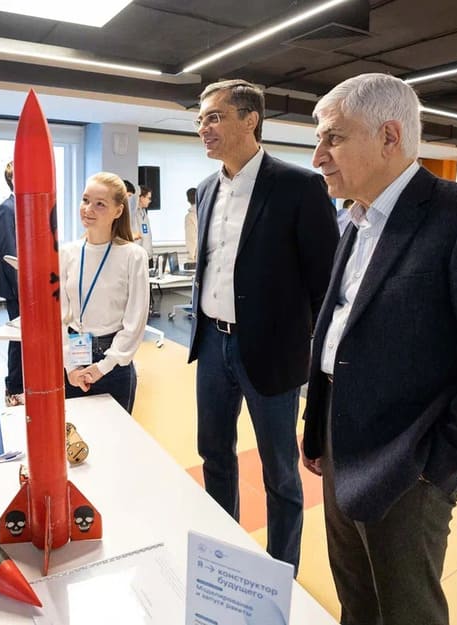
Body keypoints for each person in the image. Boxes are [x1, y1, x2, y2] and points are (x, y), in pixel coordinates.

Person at [302, 73, 457, 625]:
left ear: (389, 137)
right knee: (357, 601)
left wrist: (436, 466)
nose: (318, 156)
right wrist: (318, 426)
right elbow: (341, 332)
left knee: (406, 612)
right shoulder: (356, 221)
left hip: (408, 463)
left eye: (334, 138)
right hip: (341, 443)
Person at [188, 79, 338, 571]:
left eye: (214, 117)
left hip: (272, 352)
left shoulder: (298, 186)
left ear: (250, 119)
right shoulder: (206, 189)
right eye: (200, 120)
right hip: (212, 345)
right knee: (214, 455)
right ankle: (224, 553)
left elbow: (325, 282)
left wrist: (307, 348)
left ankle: (280, 570)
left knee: (279, 471)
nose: (204, 128)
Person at [60, 172, 150, 414]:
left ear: (118, 211)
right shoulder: (68, 253)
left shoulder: (133, 255)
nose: (88, 209)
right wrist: (70, 367)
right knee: (75, 434)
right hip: (74, 358)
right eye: (85, 200)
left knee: (115, 435)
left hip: (114, 363)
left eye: (100, 204)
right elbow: (61, 316)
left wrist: (104, 366)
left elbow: (135, 321)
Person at [0, 161, 24, 406]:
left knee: (27, 340)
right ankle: (13, 388)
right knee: (18, 339)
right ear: (12, 179)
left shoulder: (25, 208)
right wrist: (23, 289)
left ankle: (24, 384)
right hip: (18, 290)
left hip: (32, 288)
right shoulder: (7, 209)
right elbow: (9, 254)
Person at [132, 184, 154, 258]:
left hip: (147, 256)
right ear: (141, 198)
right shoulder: (134, 214)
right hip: (139, 257)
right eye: (149, 198)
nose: (150, 201)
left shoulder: (144, 212)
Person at [185, 187, 198, 261]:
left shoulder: (190, 216)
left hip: (196, 257)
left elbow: (191, 239)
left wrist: (190, 258)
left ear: (188, 200)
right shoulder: (204, 213)